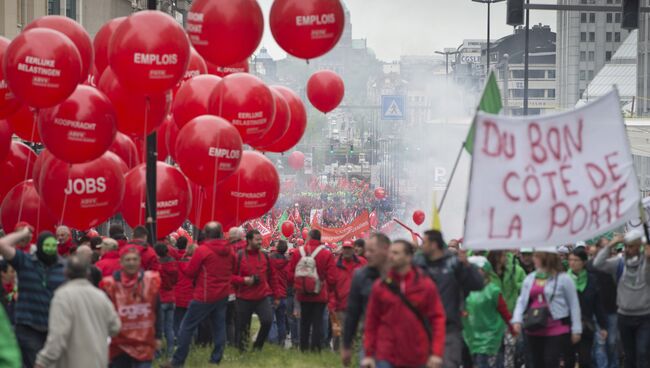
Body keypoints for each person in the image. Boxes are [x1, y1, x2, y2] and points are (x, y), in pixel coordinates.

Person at [361, 240, 446, 368]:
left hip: (416, 355)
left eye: (396, 253)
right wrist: (368, 354)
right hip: (385, 354)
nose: (391, 256)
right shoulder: (380, 286)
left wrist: (436, 353)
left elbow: (437, 319)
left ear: (408, 257)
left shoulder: (425, 285)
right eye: (390, 252)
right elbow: (372, 320)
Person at [414, 230, 484, 368]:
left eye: (425, 242)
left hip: (449, 329)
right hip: (422, 328)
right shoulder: (418, 264)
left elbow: (477, 284)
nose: (422, 246)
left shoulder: (454, 264)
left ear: (434, 245)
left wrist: (467, 266)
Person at [35, 256, 121, 368]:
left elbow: (58, 335)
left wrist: (43, 361)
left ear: (66, 272)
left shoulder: (62, 296)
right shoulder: (100, 296)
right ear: (87, 273)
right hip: (97, 361)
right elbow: (116, 327)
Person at [170, 222, 234, 367]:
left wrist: (183, 263)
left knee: (187, 326)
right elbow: (234, 267)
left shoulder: (203, 250)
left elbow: (190, 272)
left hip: (204, 295)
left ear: (206, 234)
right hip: (222, 294)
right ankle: (215, 359)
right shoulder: (229, 250)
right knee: (219, 327)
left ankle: (178, 360)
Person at [0, 229, 66, 368]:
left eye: (53, 246)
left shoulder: (64, 267)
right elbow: (2, 244)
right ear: (40, 246)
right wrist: (23, 234)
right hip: (28, 327)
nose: (49, 249)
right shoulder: (25, 261)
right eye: (46, 246)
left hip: (53, 329)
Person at [511, 251, 582, 368]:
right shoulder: (530, 278)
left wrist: (576, 329)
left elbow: (574, 304)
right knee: (537, 362)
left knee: (550, 360)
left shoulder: (564, 279)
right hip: (534, 327)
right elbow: (522, 301)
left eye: (536, 256)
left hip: (556, 327)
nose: (533, 259)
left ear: (545, 258)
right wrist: (517, 320)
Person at [593, 231, 650, 368]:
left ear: (639, 246)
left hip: (645, 317)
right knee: (629, 355)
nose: (628, 249)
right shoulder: (618, 263)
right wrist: (611, 244)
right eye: (626, 246)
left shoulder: (647, 261)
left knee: (642, 353)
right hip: (624, 316)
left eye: (631, 246)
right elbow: (597, 263)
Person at [102, 246, 162, 368]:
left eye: (134, 259)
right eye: (128, 259)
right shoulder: (111, 285)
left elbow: (157, 310)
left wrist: (158, 336)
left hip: (144, 344)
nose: (131, 263)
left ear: (139, 261)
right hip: (119, 346)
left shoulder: (150, 282)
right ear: (121, 262)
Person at [342, 233, 391, 367]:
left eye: (372, 251)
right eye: (366, 250)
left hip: (400, 345)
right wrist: (346, 345)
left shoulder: (401, 274)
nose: (367, 254)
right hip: (372, 343)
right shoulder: (360, 276)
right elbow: (352, 313)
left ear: (386, 249)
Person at [288, 229, 337, 352]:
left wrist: (297, 285)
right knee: (318, 323)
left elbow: (289, 275)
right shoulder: (326, 254)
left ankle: (303, 349)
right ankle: (316, 350)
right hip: (320, 294)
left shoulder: (298, 252)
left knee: (304, 322)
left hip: (302, 294)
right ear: (320, 238)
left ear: (308, 237)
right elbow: (332, 278)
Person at [462, 256, 514, 368]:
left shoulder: (493, 290)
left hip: (491, 337)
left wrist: (512, 328)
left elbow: (503, 311)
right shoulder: (466, 291)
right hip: (471, 337)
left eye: (477, 269)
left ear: (485, 271)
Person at [232, 230, 280, 351]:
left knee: (268, 320)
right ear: (248, 240)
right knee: (243, 327)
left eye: (260, 239)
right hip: (243, 297)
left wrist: (277, 296)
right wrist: (244, 280)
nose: (260, 242)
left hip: (262, 297)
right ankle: (242, 353)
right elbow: (230, 277)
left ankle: (257, 347)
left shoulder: (264, 256)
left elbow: (272, 276)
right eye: (257, 239)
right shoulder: (239, 255)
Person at [567, 247, 608, 368]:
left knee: (585, 360)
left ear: (584, 262)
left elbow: (597, 305)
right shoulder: (564, 279)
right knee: (568, 360)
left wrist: (603, 326)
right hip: (567, 326)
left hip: (586, 325)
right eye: (570, 259)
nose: (572, 263)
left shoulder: (592, 279)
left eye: (576, 260)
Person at [588, 238, 620, 368]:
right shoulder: (590, 265)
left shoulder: (615, 264)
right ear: (597, 248)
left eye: (609, 247)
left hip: (613, 309)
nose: (609, 249)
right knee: (600, 343)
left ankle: (614, 365)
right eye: (604, 247)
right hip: (597, 311)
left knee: (612, 342)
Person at [332, 239, 367, 351]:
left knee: (357, 332)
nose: (347, 251)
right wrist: (332, 305)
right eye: (345, 249)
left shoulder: (362, 262)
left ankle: (354, 354)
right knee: (339, 332)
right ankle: (337, 354)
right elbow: (330, 286)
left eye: (349, 249)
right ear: (342, 250)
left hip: (358, 306)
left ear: (353, 250)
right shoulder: (335, 263)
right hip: (340, 306)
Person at [155, 242, 179, 358]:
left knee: (159, 328)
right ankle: (170, 352)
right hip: (171, 298)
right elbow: (176, 280)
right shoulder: (174, 263)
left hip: (161, 298)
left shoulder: (158, 266)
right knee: (169, 328)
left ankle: (158, 353)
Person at [268, 240, 290, 346]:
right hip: (284, 294)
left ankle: (272, 341)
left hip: (272, 293)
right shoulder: (288, 263)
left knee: (271, 319)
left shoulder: (270, 260)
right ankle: (281, 341)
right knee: (281, 320)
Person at [173, 243, 195, 339]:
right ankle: (191, 341)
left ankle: (177, 340)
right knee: (192, 321)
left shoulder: (177, 263)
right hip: (192, 295)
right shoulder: (196, 265)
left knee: (177, 320)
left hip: (178, 295)